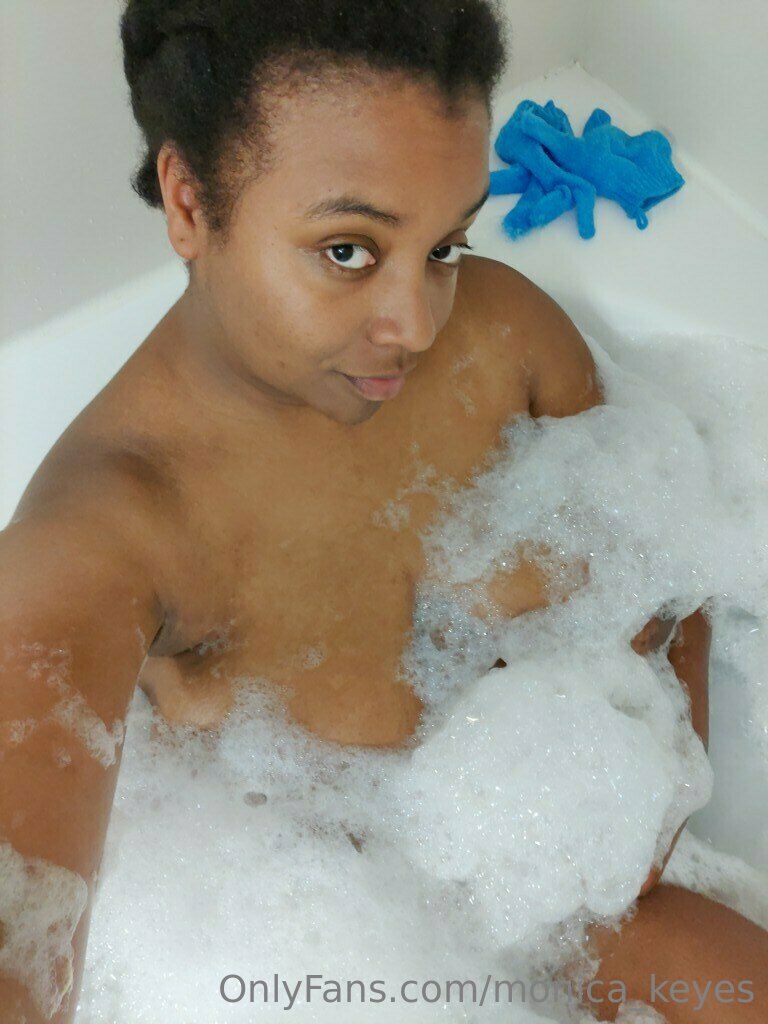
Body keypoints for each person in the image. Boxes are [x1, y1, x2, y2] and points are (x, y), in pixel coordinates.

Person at [1, 2, 765, 1021]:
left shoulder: (504, 334)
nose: (415, 323)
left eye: (445, 243)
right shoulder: (106, 535)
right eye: (349, 251)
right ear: (189, 201)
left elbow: (665, 566)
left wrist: (652, 789)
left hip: (582, 899)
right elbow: (21, 939)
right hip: (328, 957)